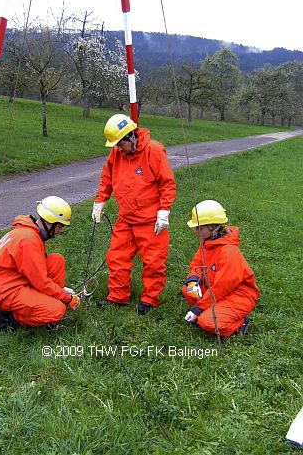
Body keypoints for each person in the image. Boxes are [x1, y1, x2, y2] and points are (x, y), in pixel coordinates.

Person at [92, 113, 176, 315]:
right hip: (126, 219)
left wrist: (163, 211)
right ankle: (118, 297)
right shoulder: (117, 153)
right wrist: (100, 201)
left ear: (131, 137)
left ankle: (149, 300)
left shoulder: (154, 151)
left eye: (120, 144)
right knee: (116, 258)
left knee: (154, 262)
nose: (117, 149)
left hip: (150, 222)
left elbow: (167, 183)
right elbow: (107, 177)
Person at [0, 196, 80, 331]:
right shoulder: (28, 240)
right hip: (2, 290)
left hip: (12, 279)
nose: (60, 231)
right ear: (50, 222)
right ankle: (10, 317)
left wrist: (60, 292)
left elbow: (37, 273)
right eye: (60, 226)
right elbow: (41, 282)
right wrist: (67, 299)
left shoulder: (30, 232)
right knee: (57, 310)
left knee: (57, 260)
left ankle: (40, 304)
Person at [182, 200, 259, 336]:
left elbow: (221, 287)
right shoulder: (207, 242)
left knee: (208, 322)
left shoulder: (228, 252)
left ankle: (239, 324)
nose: (196, 231)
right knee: (188, 289)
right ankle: (209, 312)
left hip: (238, 296)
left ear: (213, 227)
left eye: (200, 228)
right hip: (216, 290)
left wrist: (198, 308)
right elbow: (197, 265)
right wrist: (193, 280)